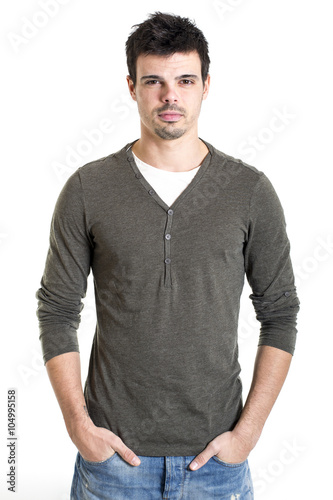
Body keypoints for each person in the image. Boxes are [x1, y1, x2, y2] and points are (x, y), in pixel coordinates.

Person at [36, 12, 300, 500]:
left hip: (216, 464)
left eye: (184, 80)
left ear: (205, 86)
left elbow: (280, 314)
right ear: (132, 87)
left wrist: (248, 434)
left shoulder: (248, 191)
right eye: (154, 81)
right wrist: (80, 428)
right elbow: (56, 313)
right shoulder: (87, 189)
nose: (169, 96)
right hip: (114, 463)